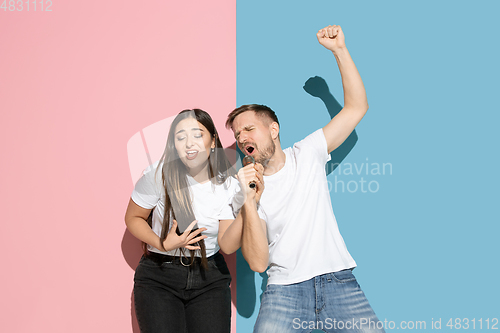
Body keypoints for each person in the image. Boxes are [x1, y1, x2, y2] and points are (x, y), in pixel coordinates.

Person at [225, 25, 385, 332]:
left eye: (248, 128)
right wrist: (250, 201)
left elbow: (357, 108)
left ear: (273, 129)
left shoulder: (306, 153)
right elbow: (258, 264)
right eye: (237, 133)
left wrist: (339, 51)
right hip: (284, 290)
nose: (241, 135)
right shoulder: (243, 187)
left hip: (339, 280)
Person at [124, 109, 263, 333]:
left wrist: (248, 203)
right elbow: (133, 217)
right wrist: (162, 244)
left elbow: (227, 245)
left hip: (210, 278)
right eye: (180, 137)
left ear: (213, 140)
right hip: (160, 277)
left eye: (198, 134)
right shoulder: (157, 175)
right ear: (174, 145)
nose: (189, 143)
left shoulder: (227, 185)